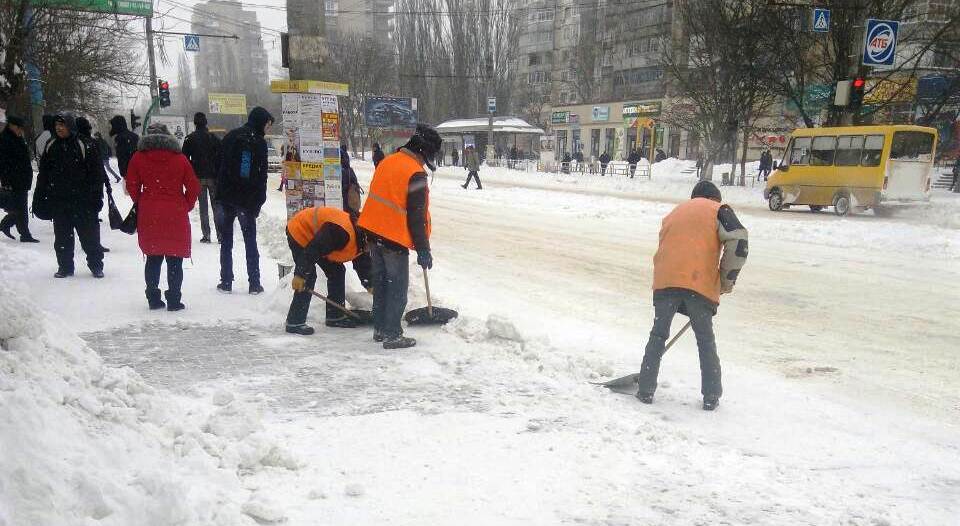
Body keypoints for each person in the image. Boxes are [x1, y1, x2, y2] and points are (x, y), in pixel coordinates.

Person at [635, 181, 748, 411]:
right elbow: (739, 240)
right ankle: (711, 395)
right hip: (698, 284)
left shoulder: (674, 212)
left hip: (665, 281)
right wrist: (725, 281)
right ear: (714, 198)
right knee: (705, 340)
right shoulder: (719, 210)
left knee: (658, 335)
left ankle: (645, 388)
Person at [357, 124, 439, 349]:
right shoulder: (415, 173)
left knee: (382, 284)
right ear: (424, 152)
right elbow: (416, 216)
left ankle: (380, 329)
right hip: (393, 237)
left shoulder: (388, 161)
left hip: (373, 233)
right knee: (397, 288)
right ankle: (393, 334)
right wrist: (423, 249)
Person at [125, 123, 201, 311]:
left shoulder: (138, 158)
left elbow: (132, 185)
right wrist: (186, 205)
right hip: (175, 211)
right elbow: (193, 186)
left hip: (149, 212)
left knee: (153, 257)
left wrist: (143, 201)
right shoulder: (180, 159)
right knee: (175, 259)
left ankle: (153, 298)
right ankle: (174, 300)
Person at [34, 113, 106, 278]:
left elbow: (96, 174)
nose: (59, 128)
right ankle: (65, 267)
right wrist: (40, 197)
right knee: (62, 238)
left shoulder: (84, 144)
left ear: (70, 126)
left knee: (90, 237)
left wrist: (96, 197)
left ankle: (96, 265)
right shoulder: (51, 145)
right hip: (59, 201)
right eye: (57, 125)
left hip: (83, 201)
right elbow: (44, 174)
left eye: (63, 125)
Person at [214, 106, 273, 294]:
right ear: (261, 122)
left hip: (226, 197)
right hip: (246, 200)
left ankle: (226, 280)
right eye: (268, 125)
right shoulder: (259, 143)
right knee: (250, 241)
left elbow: (219, 164)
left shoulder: (231, 136)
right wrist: (258, 201)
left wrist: (222, 189)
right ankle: (254, 283)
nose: (268, 129)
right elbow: (262, 176)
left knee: (226, 241)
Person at [286, 207, 371, 334]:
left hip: (319, 240)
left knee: (337, 271)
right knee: (308, 277)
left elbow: (363, 263)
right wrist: (300, 274)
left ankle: (335, 316)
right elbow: (313, 250)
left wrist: (371, 284)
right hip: (300, 231)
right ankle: (294, 322)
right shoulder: (341, 232)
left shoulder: (361, 238)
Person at [182, 112, 221, 243]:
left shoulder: (190, 139)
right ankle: (220, 235)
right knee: (216, 206)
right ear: (206, 123)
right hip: (213, 176)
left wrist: (193, 167)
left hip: (198, 176)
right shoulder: (213, 137)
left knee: (203, 207)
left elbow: (184, 159)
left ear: (195, 123)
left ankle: (207, 235)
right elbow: (221, 155)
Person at [0, 115, 39, 242]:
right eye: (18, 128)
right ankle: (21, 232)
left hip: (21, 179)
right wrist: (6, 181)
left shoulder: (17, 138)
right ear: (11, 126)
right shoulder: (5, 140)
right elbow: (3, 163)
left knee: (19, 207)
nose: (20, 130)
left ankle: (17, 230)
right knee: (19, 207)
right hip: (14, 180)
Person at [109, 114, 139, 179]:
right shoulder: (135, 136)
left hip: (128, 173)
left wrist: (124, 173)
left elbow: (122, 157)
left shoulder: (120, 138)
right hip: (137, 170)